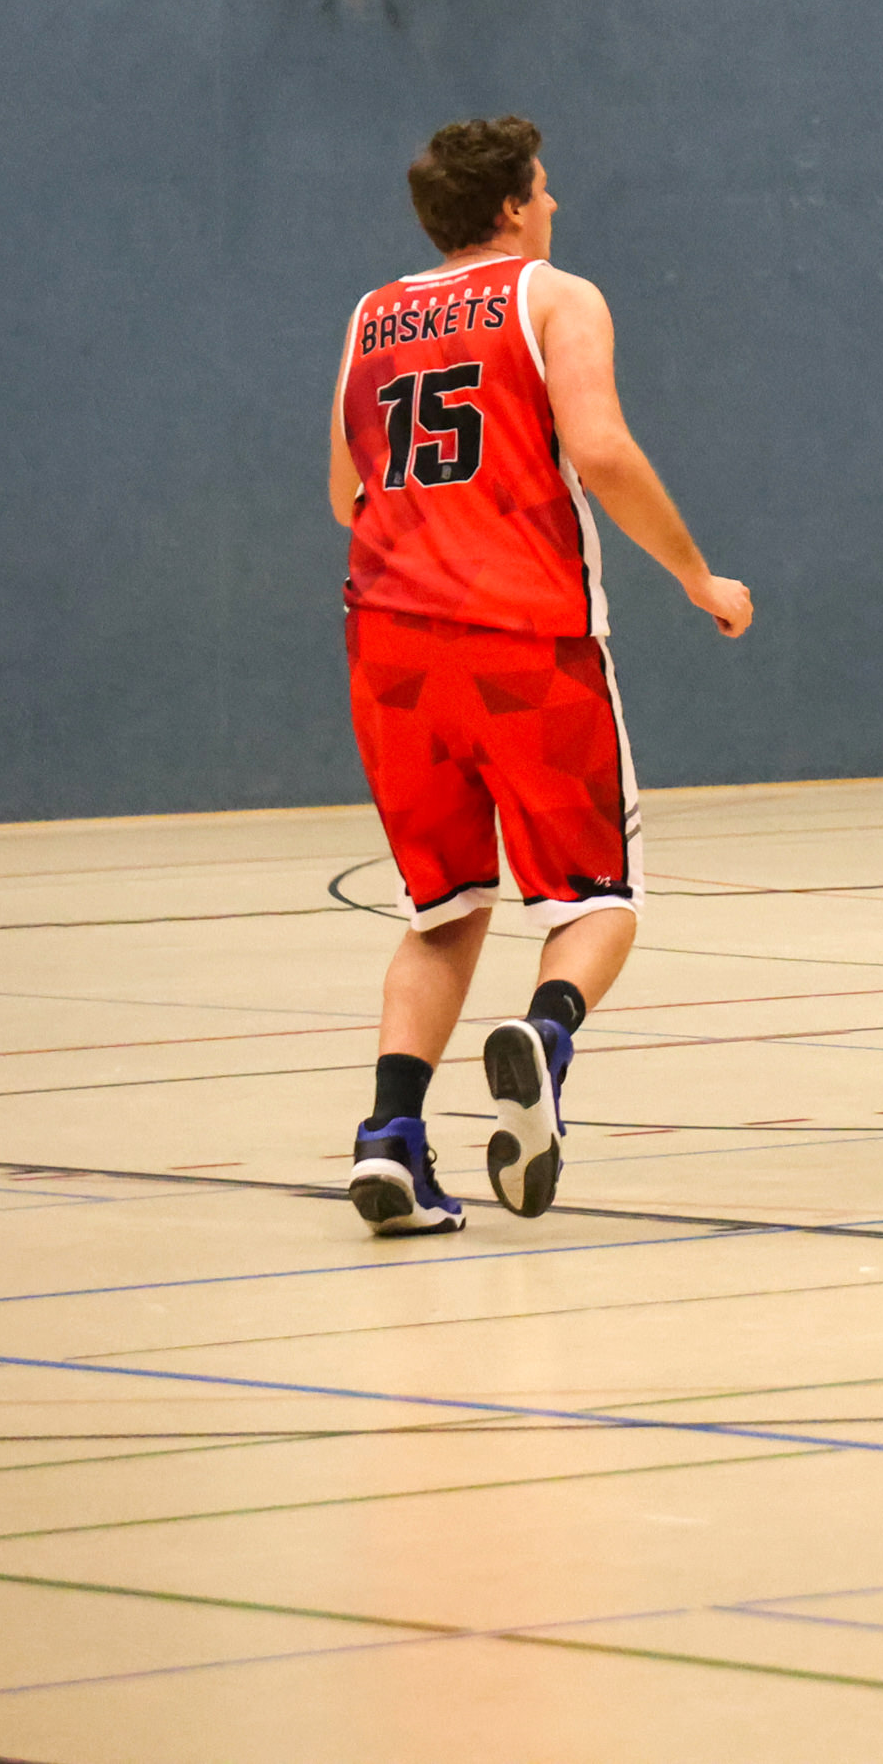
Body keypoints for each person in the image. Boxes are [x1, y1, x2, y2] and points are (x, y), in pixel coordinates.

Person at [329, 117, 752, 1235]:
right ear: (513, 205)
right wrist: (697, 575)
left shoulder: (372, 314)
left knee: (442, 908)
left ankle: (390, 1137)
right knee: (598, 898)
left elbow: (344, 491)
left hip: (387, 644)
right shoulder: (555, 295)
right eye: (545, 189)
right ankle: (544, 1035)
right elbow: (600, 451)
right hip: (521, 636)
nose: (554, 204)